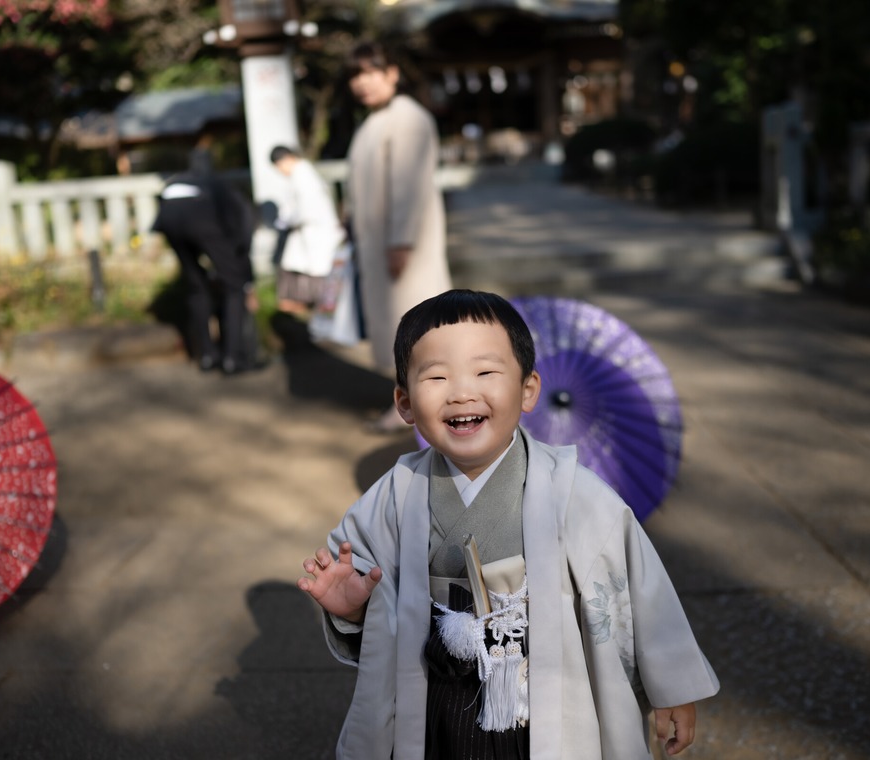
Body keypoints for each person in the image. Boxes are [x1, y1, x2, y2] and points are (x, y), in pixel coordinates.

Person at [298, 289, 720, 759]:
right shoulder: (395, 495)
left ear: (528, 390)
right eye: (436, 376)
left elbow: (642, 591)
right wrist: (352, 610)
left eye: (485, 372)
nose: (461, 392)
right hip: (434, 706)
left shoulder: (576, 495)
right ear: (404, 403)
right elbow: (359, 579)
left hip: (541, 705)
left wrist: (672, 688)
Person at [343, 41, 452, 432]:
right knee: (399, 328)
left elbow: (409, 185)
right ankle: (411, 403)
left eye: (370, 72)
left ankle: (421, 408)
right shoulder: (374, 121)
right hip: (381, 241)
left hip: (403, 245)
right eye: (356, 74)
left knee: (414, 326)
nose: (362, 83)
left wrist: (401, 241)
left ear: (392, 73)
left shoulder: (409, 117)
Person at [151, 136, 261, 376]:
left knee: (196, 287)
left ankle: (207, 355)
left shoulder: (181, 180)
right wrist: (245, 278)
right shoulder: (228, 192)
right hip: (201, 218)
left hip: (169, 217)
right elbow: (242, 237)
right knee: (234, 288)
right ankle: (233, 357)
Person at [268, 145, 346, 316]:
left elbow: (307, 208)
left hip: (316, 231)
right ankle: (317, 304)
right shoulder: (300, 174)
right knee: (303, 267)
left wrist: (287, 219)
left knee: (319, 269)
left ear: (286, 159)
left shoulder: (303, 175)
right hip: (309, 231)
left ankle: (324, 305)